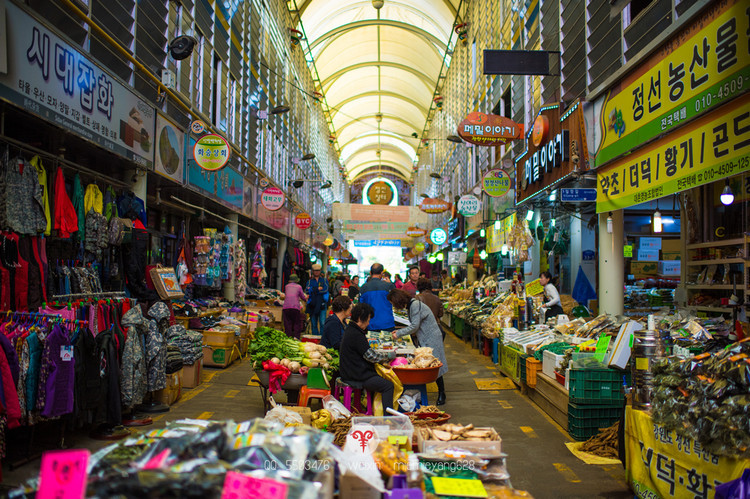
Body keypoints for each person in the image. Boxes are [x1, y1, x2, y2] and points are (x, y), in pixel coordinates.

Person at [388, 289, 448, 405]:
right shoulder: (411, 305)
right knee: (427, 363)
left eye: (393, 303)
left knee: (435, 365)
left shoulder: (414, 305)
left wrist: (398, 333)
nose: (394, 306)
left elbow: (415, 326)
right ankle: (432, 393)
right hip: (425, 336)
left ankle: (442, 394)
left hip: (431, 337)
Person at [339, 303, 396, 412]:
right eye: (368, 320)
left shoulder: (351, 330)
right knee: (388, 386)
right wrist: (389, 356)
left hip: (350, 372)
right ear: (361, 318)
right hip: (357, 376)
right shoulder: (356, 334)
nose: (369, 323)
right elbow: (372, 357)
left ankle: (373, 411)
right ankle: (388, 419)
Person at [358, 263, 396, 331]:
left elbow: (360, 307)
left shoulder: (363, 288)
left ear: (370, 273)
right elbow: (397, 300)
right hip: (387, 323)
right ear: (382, 273)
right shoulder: (388, 286)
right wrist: (391, 284)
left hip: (370, 324)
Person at [282, 274, 308, 339]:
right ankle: (296, 338)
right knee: (296, 323)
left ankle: (288, 338)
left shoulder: (286, 286)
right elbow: (302, 296)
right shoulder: (299, 287)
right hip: (295, 307)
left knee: (288, 324)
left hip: (286, 307)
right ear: (296, 280)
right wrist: (305, 299)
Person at [305, 263, 329, 335]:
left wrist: (313, 290)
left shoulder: (324, 280)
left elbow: (326, 290)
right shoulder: (309, 281)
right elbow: (306, 291)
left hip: (322, 304)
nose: (316, 272)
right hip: (313, 305)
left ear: (320, 271)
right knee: (313, 323)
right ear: (312, 271)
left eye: (318, 270)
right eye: (315, 270)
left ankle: (322, 340)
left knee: (322, 323)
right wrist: (318, 289)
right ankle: (315, 339)